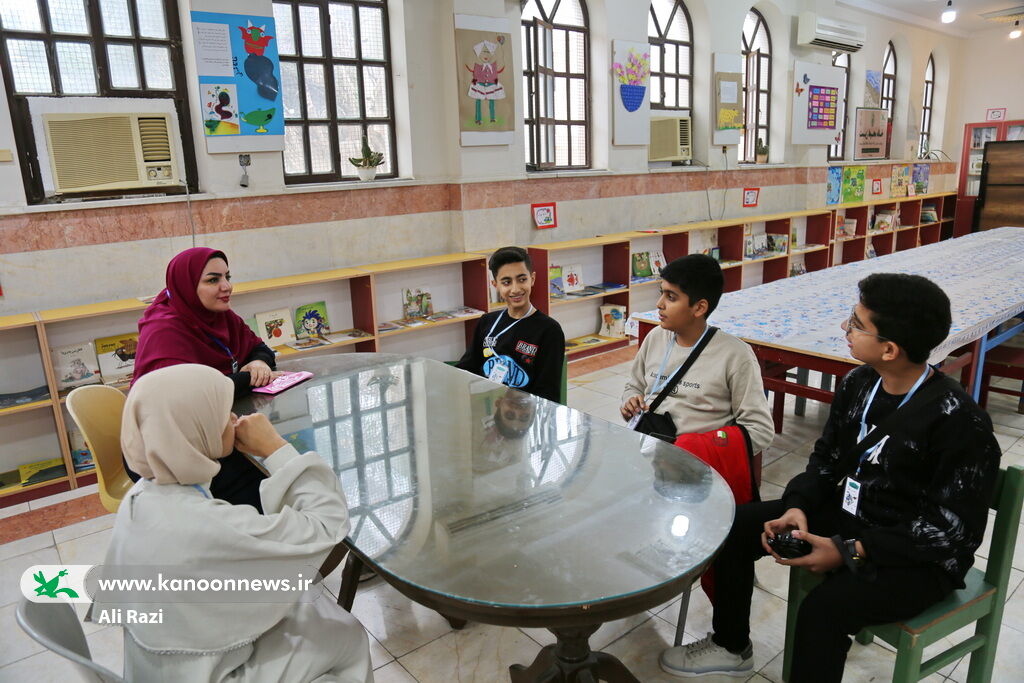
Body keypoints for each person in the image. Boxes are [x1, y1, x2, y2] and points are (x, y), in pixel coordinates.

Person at [659, 273, 1001, 681]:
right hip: (854, 515)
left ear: (890, 349)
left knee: (824, 610)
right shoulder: (860, 383)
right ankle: (732, 645)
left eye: (856, 324)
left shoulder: (958, 422)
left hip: (918, 556)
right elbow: (827, 459)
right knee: (733, 527)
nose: (845, 328)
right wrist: (798, 505)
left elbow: (951, 531)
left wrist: (849, 550)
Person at [93, 364, 372, 682]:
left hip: (162, 659)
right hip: (209, 671)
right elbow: (326, 524)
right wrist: (276, 449)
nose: (233, 418)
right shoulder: (209, 524)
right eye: (222, 412)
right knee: (347, 634)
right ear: (195, 429)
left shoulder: (141, 495)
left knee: (314, 613)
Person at [131, 247, 279, 509]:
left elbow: (260, 348)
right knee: (265, 485)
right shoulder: (163, 331)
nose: (226, 286)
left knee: (272, 469)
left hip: (212, 430)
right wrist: (248, 379)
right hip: (164, 448)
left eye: (227, 277)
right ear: (187, 286)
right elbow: (195, 398)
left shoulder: (220, 316)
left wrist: (258, 362)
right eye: (213, 280)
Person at [621, 254, 773, 453]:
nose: (659, 304)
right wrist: (631, 401)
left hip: (699, 460)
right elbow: (634, 386)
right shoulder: (656, 337)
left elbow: (760, 430)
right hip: (650, 449)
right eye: (661, 293)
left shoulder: (735, 355)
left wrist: (704, 448)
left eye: (671, 297)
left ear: (699, 307)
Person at [457, 246, 565, 403]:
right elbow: (466, 368)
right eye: (506, 282)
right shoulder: (487, 322)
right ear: (495, 285)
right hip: (487, 406)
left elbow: (547, 392)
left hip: (525, 412)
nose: (515, 289)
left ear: (532, 279)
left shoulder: (549, 330)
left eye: (522, 279)